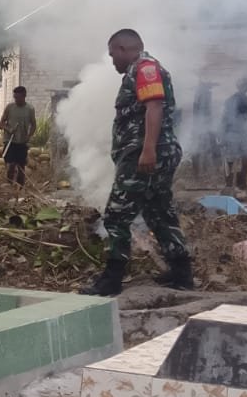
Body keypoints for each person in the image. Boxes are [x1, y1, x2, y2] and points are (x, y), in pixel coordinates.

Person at [81, 30, 193, 296]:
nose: (112, 61)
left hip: (144, 155)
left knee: (116, 216)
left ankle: (112, 278)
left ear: (123, 48)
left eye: (113, 55)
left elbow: (154, 106)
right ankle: (181, 272)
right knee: (159, 211)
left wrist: (148, 150)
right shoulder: (139, 70)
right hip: (150, 153)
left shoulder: (145, 68)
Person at [0, 86, 38, 185]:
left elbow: (33, 125)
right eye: (14, 97)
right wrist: (9, 129)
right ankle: (9, 185)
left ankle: (20, 187)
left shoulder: (30, 109)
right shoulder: (9, 107)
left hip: (22, 141)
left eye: (18, 97)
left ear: (24, 96)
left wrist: (29, 135)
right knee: (11, 164)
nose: (16, 100)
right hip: (10, 140)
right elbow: (1, 123)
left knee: (21, 166)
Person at [221, 78, 247, 189]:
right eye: (244, 85)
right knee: (230, 159)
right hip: (231, 133)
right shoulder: (232, 100)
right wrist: (222, 135)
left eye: (246, 85)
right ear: (239, 86)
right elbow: (224, 119)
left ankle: (241, 182)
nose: (245, 88)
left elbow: (246, 116)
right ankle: (229, 183)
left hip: (242, 133)